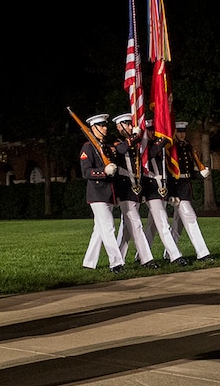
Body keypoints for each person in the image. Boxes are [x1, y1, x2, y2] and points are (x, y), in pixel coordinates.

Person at [139, 118, 190, 266]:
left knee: (152, 224)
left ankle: (141, 255)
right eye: (149, 130)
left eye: (155, 129)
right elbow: (149, 156)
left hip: (162, 186)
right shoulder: (146, 146)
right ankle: (175, 255)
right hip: (150, 187)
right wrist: (163, 139)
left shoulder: (160, 146)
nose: (153, 132)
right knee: (162, 221)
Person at [79, 113, 126, 273]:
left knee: (99, 229)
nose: (105, 128)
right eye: (102, 126)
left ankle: (89, 262)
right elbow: (86, 172)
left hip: (109, 192)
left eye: (106, 125)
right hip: (97, 193)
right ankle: (116, 262)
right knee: (108, 227)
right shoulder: (88, 147)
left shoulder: (105, 147)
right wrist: (103, 171)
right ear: (93, 128)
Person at [110, 113, 157, 269]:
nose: (130, 126)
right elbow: (123, 149)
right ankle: (146, 259)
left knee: (127, 228)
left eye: (131, 124)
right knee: (136, 223)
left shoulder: (135, 142)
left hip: (135, 186)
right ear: (119, 127)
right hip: (124, 187)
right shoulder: (116, 142)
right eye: (127, 124)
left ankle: (118, 260)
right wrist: (137, 135)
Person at [170, 121, 213, 262]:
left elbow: (187, 171)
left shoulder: (187, 147)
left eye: (183, 132)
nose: (182, 134)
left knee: (178, 223)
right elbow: (171, 172)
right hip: (178, 188)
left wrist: (200, 174)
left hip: (186, 187)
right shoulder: (172, 148)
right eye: (179, 132)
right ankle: (202, 253)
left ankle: (169, 252)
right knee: (191, 219)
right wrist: (172, 192)